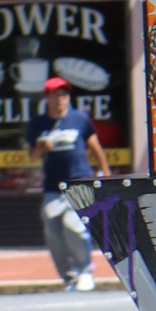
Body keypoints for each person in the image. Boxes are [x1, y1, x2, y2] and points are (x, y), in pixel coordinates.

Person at [36, 76, 109, 290]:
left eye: (64, 94)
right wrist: (42, 146)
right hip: (52, 187)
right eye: (55, 94)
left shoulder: (80, 119)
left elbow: (94, 146)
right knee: (53, 233)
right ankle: (69, 277)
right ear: (47, 98)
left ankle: (85, 271)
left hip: (79, 182)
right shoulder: (39, 124)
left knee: (74, 227)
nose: (60, 98)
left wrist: (105, 171)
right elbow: (32, 154)